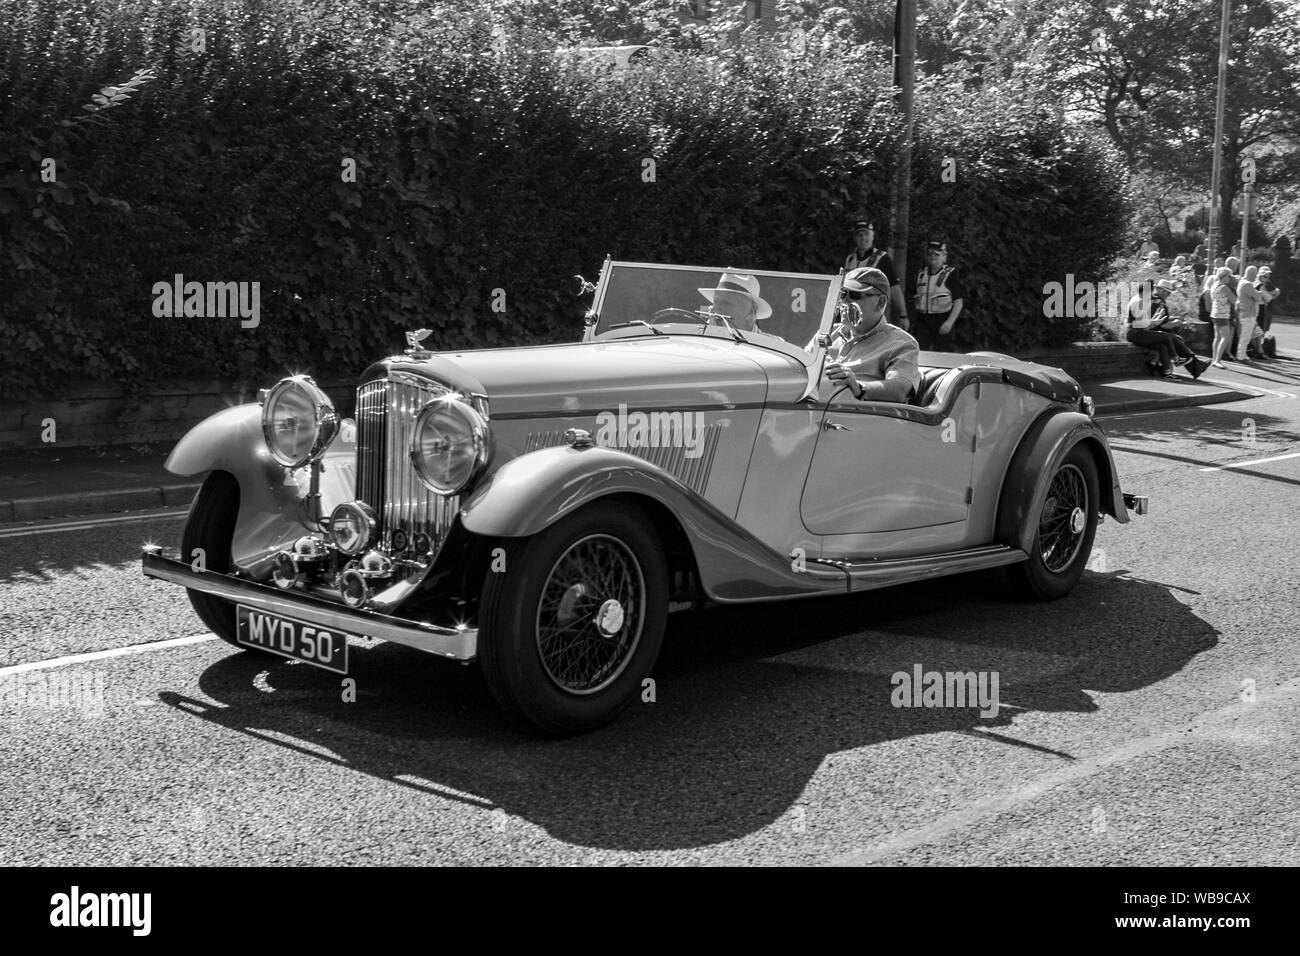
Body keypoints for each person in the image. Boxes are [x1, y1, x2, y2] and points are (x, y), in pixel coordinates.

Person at [820, 267, 920, 403]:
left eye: (855, 295)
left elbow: (900, 390)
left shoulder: (901, 343)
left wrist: (858, 386)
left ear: (880, 303)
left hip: (857, 420)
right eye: (843, 294)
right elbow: (801, 369)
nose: (845, 301)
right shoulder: (827, 334)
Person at [1126, 280, 1205, 379]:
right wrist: (1157, 322)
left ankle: (1165, 372)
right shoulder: (1142, 302)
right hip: (1136, 332)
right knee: (1168, 337)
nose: (1152, 294)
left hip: (1139, 331)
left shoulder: (1142, 300)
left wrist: (1159, 320)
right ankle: (1177, 360)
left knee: (1163, 346)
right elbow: (1139, 323)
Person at [843, 220, 909, 331]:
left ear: (873, 236)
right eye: (859, 234)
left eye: (866, 234)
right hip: (852, 310)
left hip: (875, 311)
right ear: (855, 238)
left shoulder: (882, 258)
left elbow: (894, 287)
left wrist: (903, 315)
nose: (863, 238)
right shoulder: (850, 258)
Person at [911, 240, 965, 351]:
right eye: (930, 253)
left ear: (944, 256)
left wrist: (949, 322)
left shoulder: (950, 274)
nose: (933, 257)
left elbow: (958, 301)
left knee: (944, 354)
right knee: (920, 352)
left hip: (942, 319)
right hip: (923, 321)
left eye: (937, 254)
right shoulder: (920, 274)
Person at [697, 271, 771, 333]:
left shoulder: (771, 346)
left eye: (726, 303)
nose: (716, 309)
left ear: (751, 312)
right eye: (715, 301)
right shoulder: (700, 337)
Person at [1235, 265, 1268, 362]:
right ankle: (1241, 356)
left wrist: (1258, 293)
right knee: (1245, 336)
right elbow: (1257, 297)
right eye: (1255, 275)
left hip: (1246, 313)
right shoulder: (1247, 284)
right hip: (1248, 314)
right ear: (1251, 274)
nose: (1256, 278)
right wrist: (1260, 293)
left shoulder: (1242, 282)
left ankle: (1243, 354)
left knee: (1250, 334)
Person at [1209, 266, 1238, 367]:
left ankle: (1214, 359)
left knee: (1217, 337)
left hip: (1215, 313)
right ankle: (1217, 360)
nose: (1230, 278)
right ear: (1224, 276)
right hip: (1223, 314)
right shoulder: (1224, 287)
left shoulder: (1214, 285)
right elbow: (1234, 301)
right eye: (1229, 276)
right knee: (1225, 337)